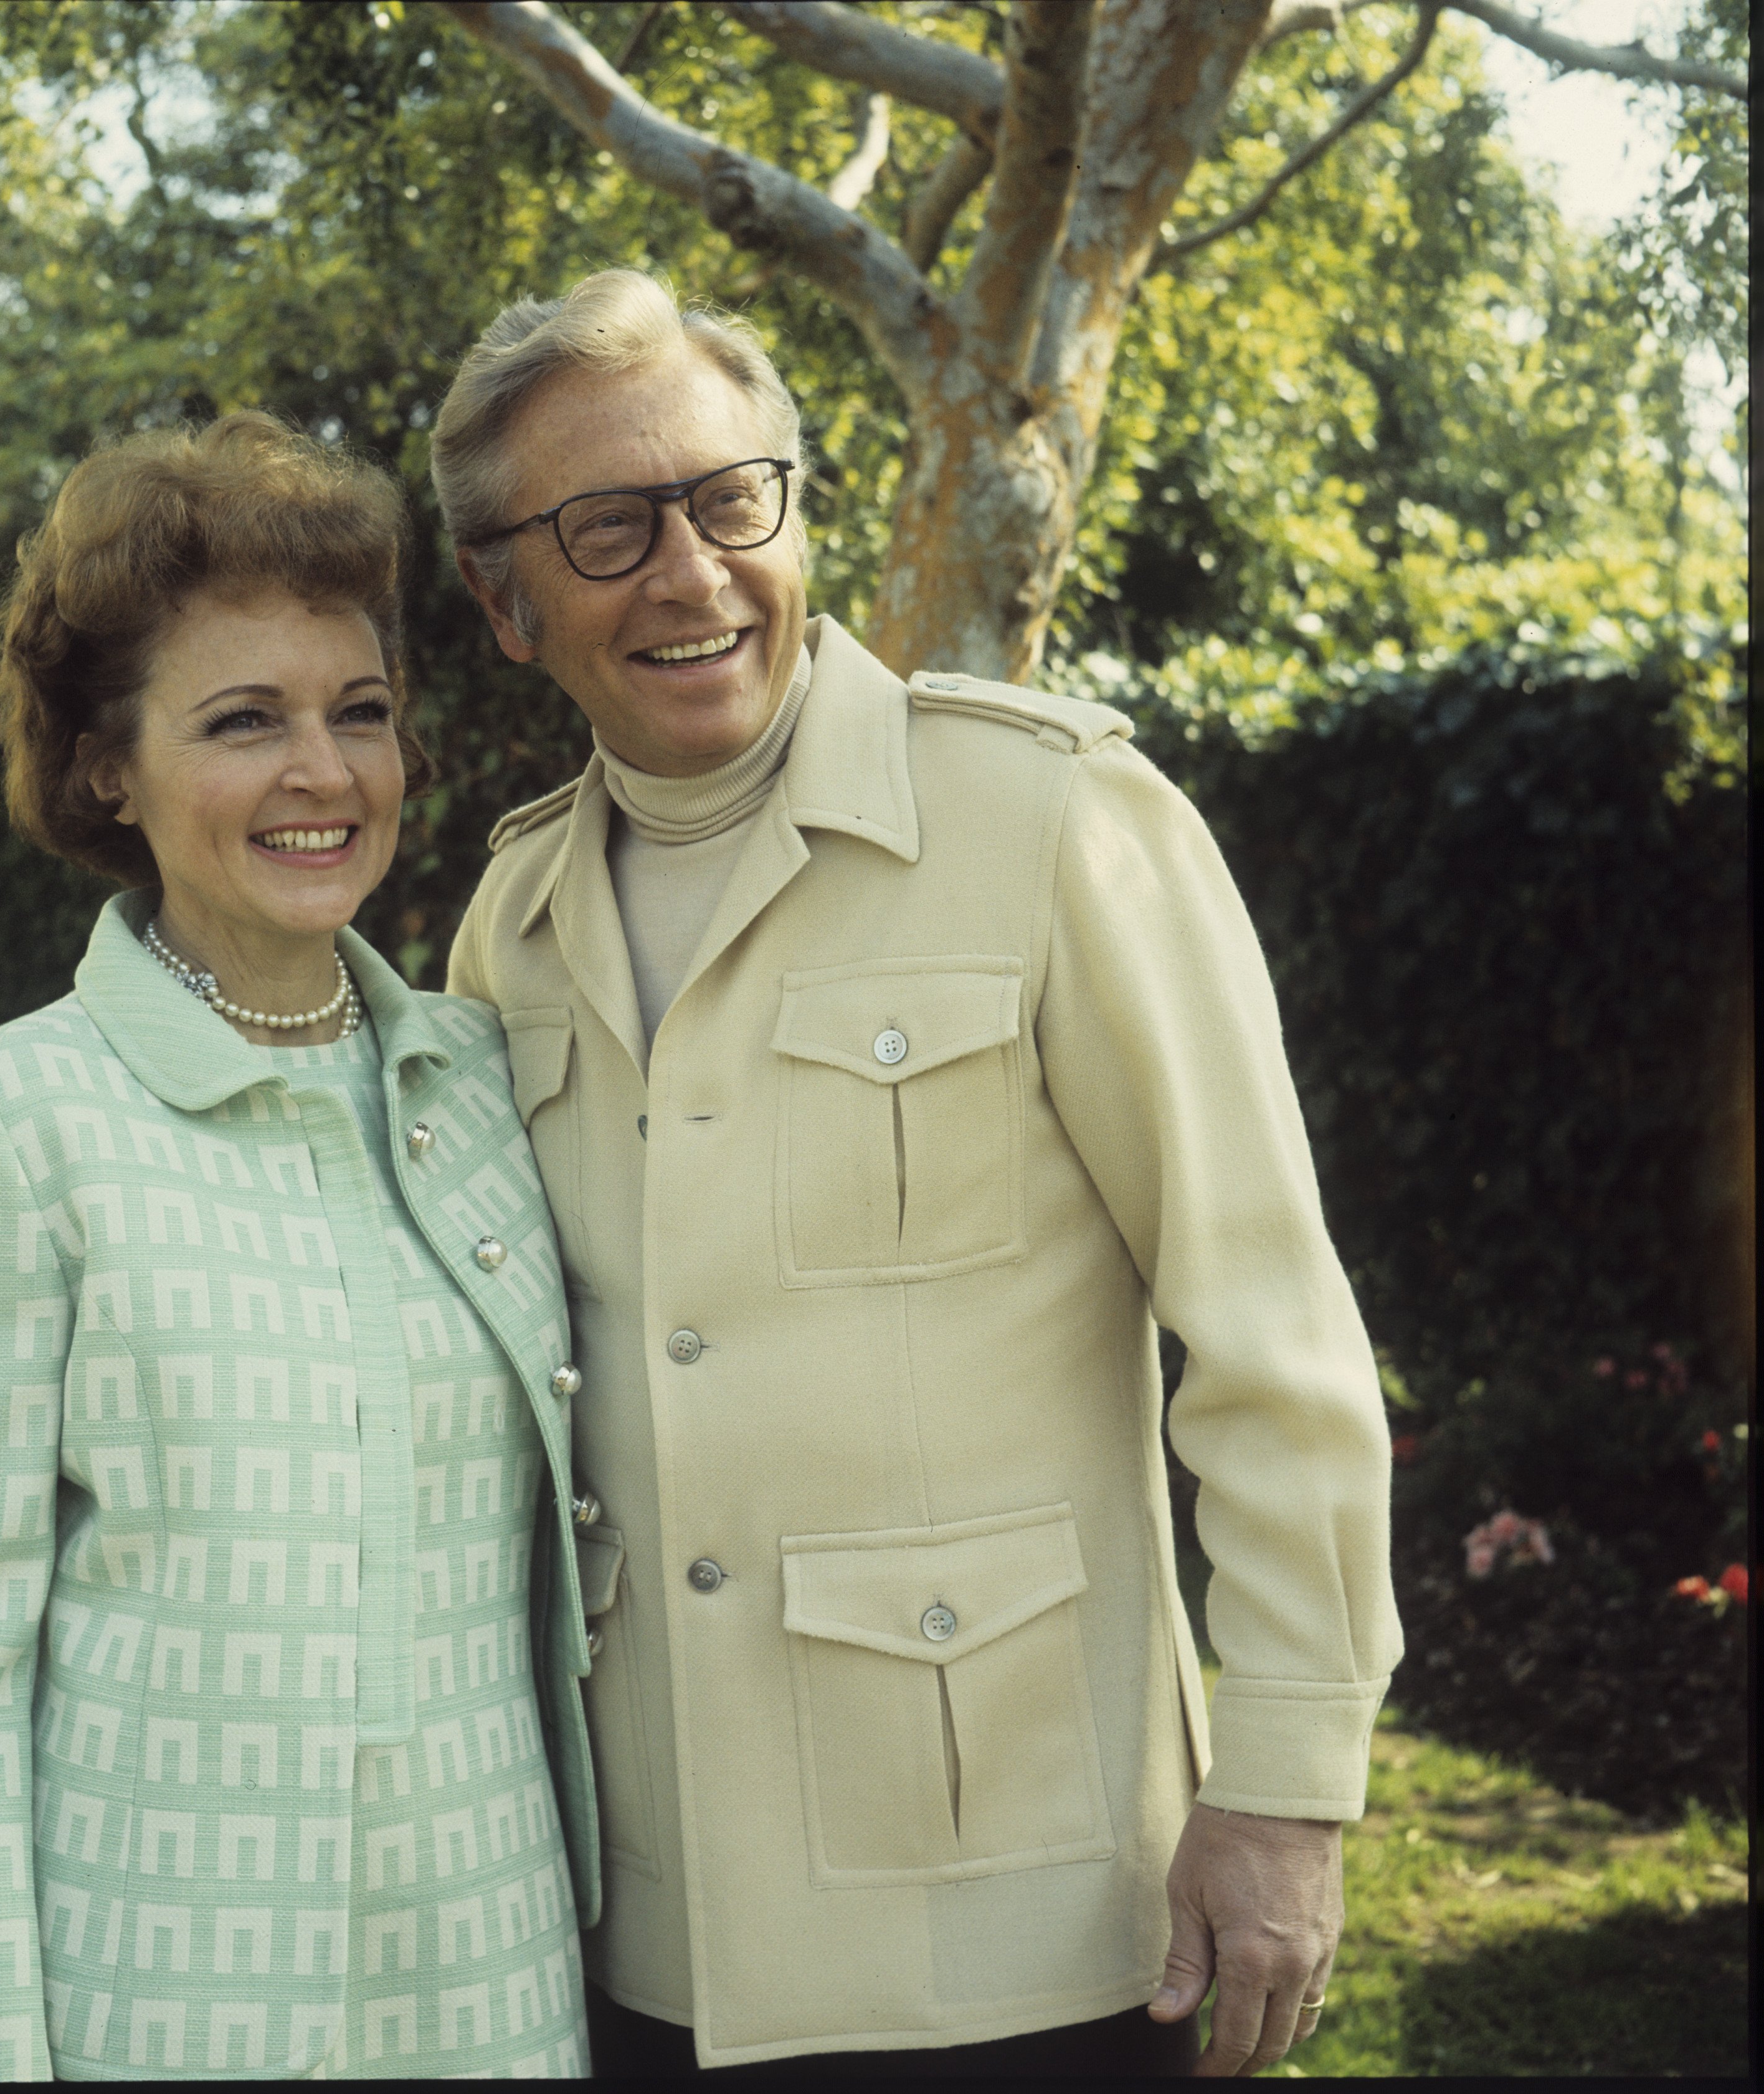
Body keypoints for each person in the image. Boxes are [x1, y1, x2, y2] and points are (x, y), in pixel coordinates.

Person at [432, 271, 1402, 2078]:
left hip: (1018, 1915)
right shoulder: (511, 920)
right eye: (607, 527)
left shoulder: (1051, 821)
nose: (692, 571)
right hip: (652, 1930)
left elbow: (1267, 1330)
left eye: (733, 498)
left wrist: (1281, 1781)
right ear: (506, 599)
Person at [0, 412, 597, 2081]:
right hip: (167, 2009)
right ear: (110, 763)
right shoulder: (10, 1119)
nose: (322, 772)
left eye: (359, 712)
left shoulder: (483, 1081)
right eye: (242, 720)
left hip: (495, 1989)